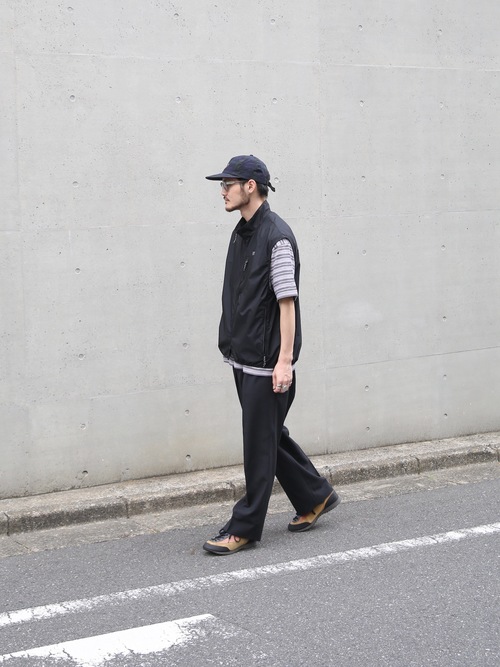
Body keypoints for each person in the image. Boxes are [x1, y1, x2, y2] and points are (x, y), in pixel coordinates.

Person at [203, 155, 339, 555]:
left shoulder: (276, 237)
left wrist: (283, 362)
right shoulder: (242, 232)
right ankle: (315, 495)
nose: (222, 191)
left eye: (228, 184)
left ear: (250, 186)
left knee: (258, 446)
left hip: (266, 363)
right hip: (243, 356)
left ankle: (244, 528)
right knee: (268, 437)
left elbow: (286, 302)